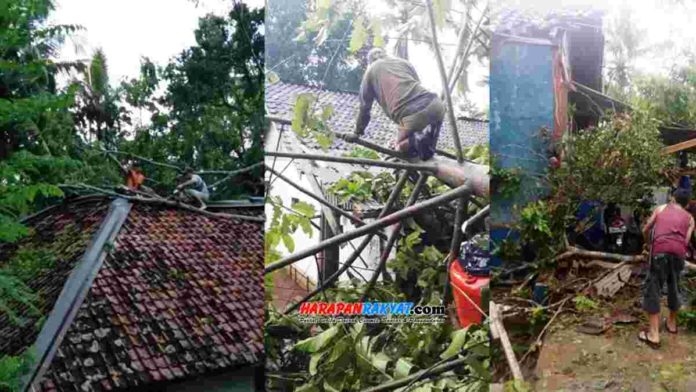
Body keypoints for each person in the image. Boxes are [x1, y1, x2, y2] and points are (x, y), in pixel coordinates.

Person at [353, 47, 445, 161]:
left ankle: (418, 141)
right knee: (426, 152)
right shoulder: (404, 63)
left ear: (370, 61)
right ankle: (422, 144)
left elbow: (364, 108)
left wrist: (357, 132)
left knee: (399, 147)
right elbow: (416, 84)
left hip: (412, 114)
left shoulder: (371, 70)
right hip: (436, 104)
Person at [638, 188, 695, 348]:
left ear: (672, 199)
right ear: (687, 203)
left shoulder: (661, 209)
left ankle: (654, 334)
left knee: (653, 288)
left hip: (660, 251)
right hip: (678, 253)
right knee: (675, 286)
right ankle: (671, 324)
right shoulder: (690, 218)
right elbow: (686, 240)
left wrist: (648, 244)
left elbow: (646, 229)